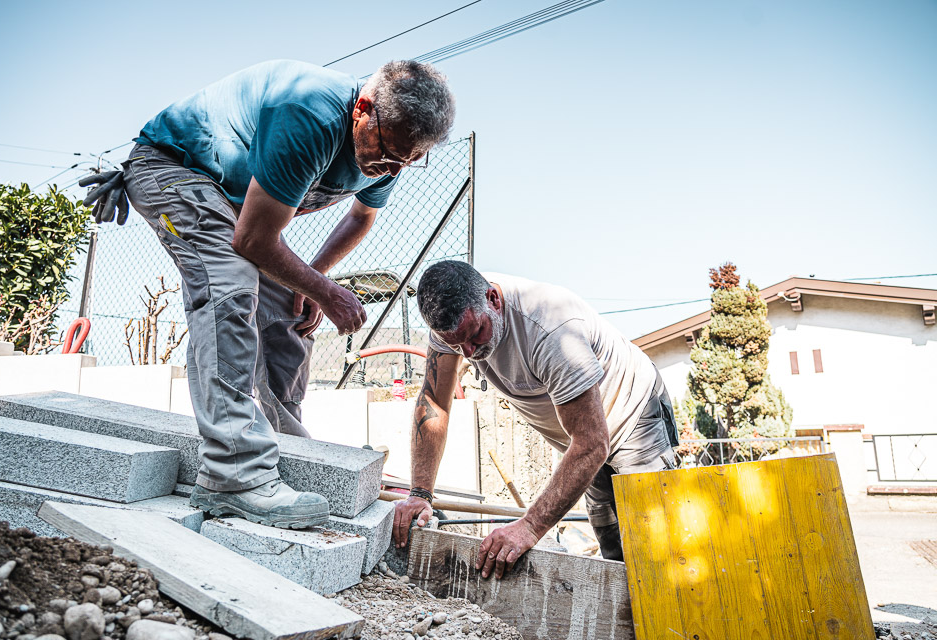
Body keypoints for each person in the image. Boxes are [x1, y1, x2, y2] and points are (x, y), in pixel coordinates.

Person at [84, 60, 455, 529]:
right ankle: (234, 474)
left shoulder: (393, 143)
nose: (390, 168)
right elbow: (252, 242)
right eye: (387, 151)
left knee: (288, 310)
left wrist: (314, 284)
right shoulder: (310, 114)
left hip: (233, 204)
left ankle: (290, 451)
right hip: (173, 171)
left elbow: (360, 219)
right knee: (229, 288)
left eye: (407, 160)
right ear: (362, 109)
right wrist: (330, 293)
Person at [392, 261, 678, 577]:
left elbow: (593, 443)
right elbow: (434, 402)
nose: (469, 352)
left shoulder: (549, 328)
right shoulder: (456, 323)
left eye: (476, 335)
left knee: (656, 551)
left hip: (634, 413)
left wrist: (530, 526)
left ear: (493, 299)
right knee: (615, 554)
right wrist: (419, 494)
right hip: (584, 439)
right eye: (455, 344)